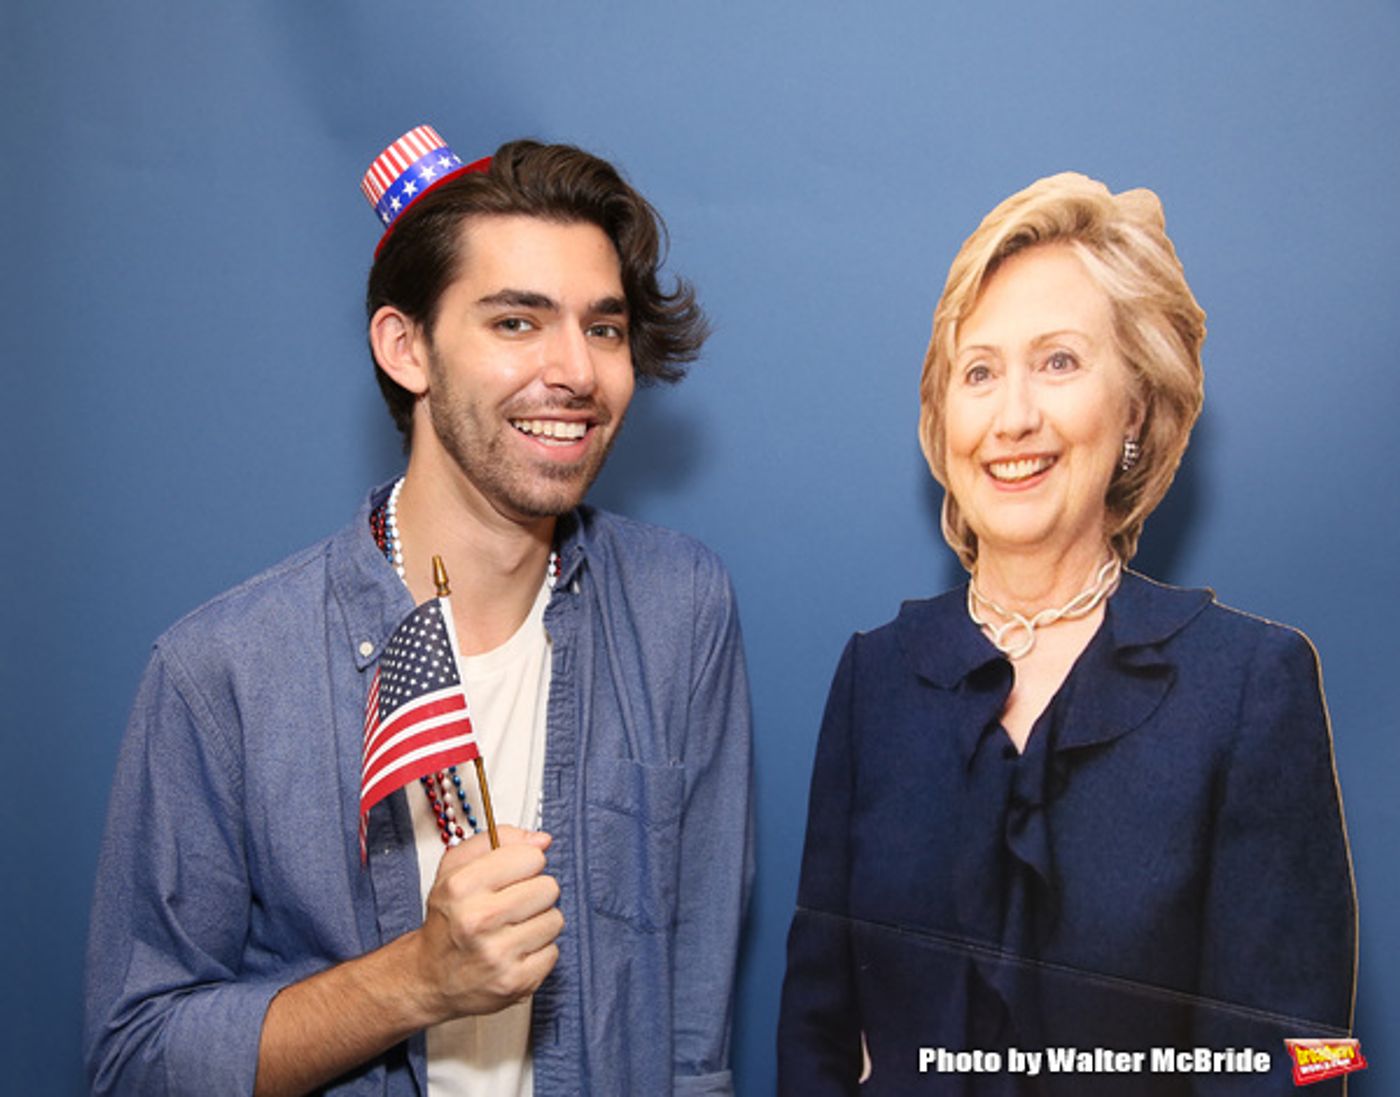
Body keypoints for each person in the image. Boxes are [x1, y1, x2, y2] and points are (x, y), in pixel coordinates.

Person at [85, 127, 753, 1097]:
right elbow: (137, 1059)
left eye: (602, 327)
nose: (575, 370)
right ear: (408, 348)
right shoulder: (221, 673)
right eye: (516, 322)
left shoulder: (679, 608)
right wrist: (418, 977)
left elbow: (694, 1034)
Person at [777, 173, 1356, 1095]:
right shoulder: (874, 678)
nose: (1013, 417)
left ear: (1134, 406)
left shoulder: (1250, 684)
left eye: (1058, 361)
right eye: (979, 371)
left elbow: (1303, 1064)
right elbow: (814, 1033)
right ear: (944, 416)